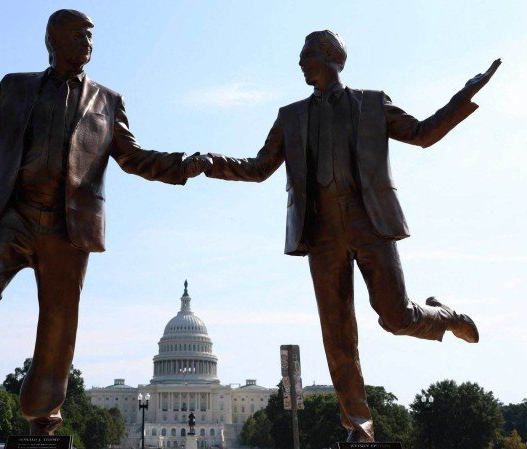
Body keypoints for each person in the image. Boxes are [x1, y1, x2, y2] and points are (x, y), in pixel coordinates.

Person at [0, 9, 204, 435]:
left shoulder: (108, 101)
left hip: (68, 228)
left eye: (91, 37)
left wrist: (184, 165)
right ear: (53, 42)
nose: (88, 44)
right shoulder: (16, 87)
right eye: (79, 36)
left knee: (59, 323)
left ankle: (43, 415)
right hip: (16, 214)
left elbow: (134, 158)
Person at [193, 30, 500, 442]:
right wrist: (213, 163)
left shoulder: (371, 103)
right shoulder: (291, 116)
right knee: (337, 335)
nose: (301, 63)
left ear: (334, 57)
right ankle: (360, 425)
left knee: (396, 317)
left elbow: (423, 134)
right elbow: (259, 167)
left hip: (370, 224)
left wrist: (463, 98)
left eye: (308, 55)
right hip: (321, 236)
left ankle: (448, 317)